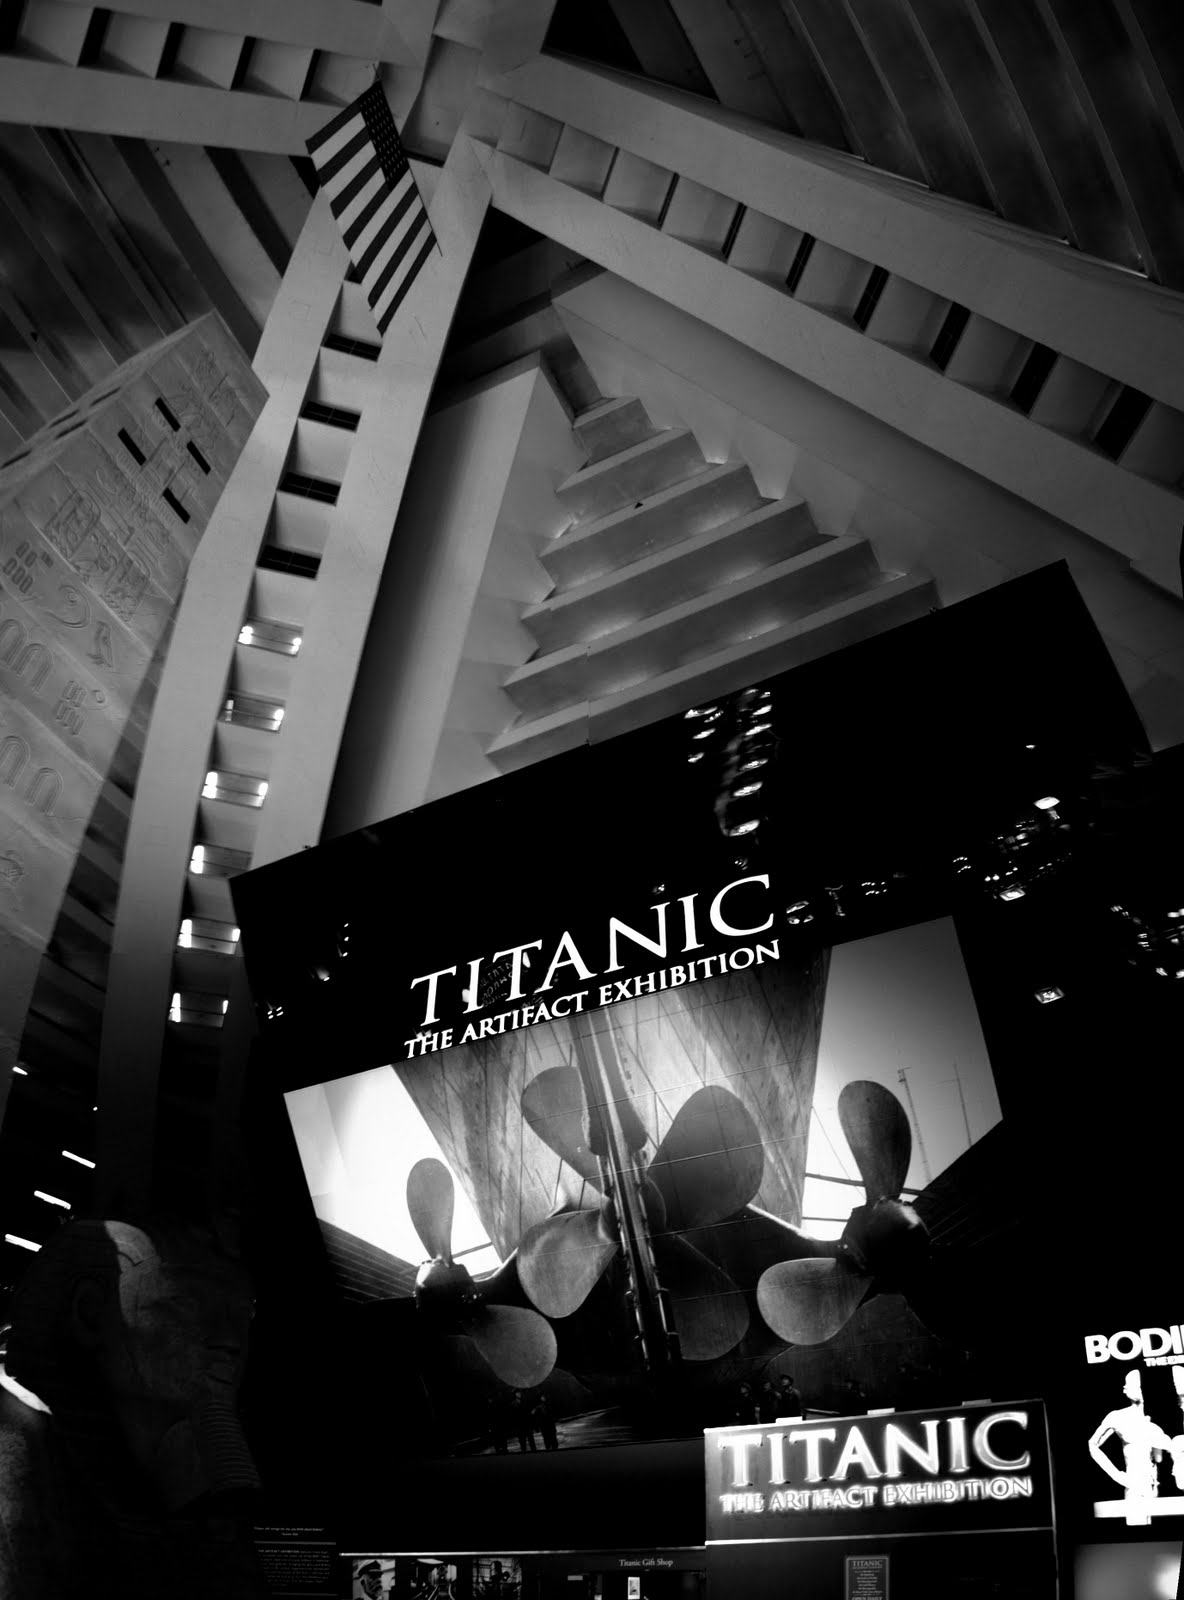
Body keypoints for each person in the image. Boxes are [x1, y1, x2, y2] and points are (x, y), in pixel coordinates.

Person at [0, 1217, 265, 1598]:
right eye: (186, 1303)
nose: (228, 1340)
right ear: (90, 1312)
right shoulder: (15, 1461)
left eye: (242, 1315)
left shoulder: (180, 1460)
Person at [1088, 1369, 1175, 1526]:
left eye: (1139, 1385)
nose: (1137, 1389)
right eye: (1133, 1385)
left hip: (1152, 1483)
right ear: (1125, 1389)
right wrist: (1117, 1475)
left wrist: (1161, 1444)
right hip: (1133, 1481)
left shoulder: (1152, 1425)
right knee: (1137, 1525)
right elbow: (1092, 1444)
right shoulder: (1118, 1417)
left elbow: (1159, 1458)